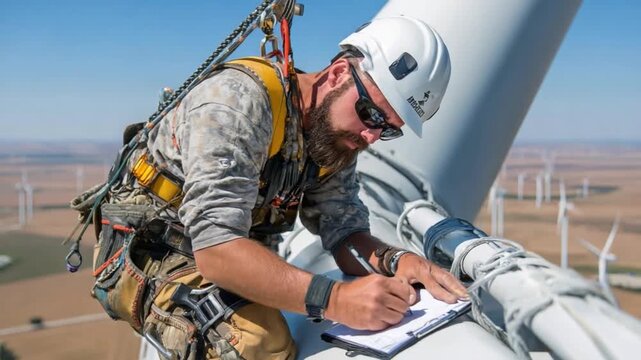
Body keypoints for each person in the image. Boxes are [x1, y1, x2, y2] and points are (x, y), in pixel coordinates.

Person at [92, 15, 466, 360]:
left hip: (230, 248)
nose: (371, 135)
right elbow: (216, 250)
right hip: (152, 251)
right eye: (371, 114)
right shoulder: (238, 103)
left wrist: (397, 261)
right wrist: (335, 299)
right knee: (256, 342)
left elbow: (345, 234)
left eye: (388, 129)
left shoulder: (333, 137)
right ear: (338, 74)